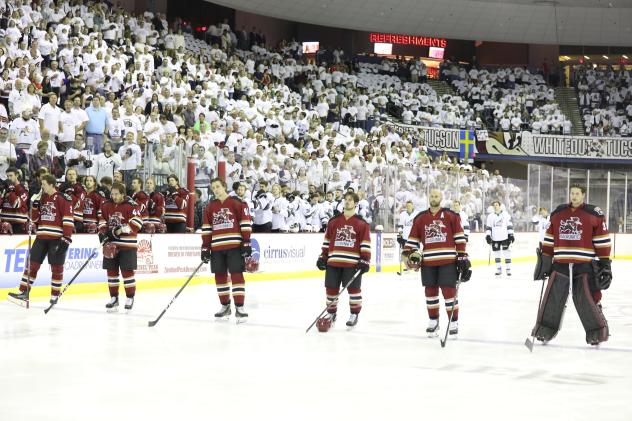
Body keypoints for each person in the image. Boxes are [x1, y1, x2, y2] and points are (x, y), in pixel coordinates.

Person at [532, 184, 611, 346]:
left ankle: (597, 331)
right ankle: (545, 330)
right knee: (553, 297)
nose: (574, 196)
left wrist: (605, 262)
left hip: (584, 264)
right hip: (560, 263)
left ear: (583, 195)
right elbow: (549, 238)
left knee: (586, 298)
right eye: (572, 193)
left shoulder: (593, 213)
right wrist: (546, 260)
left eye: (577, 193)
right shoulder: (558, 213)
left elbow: (602, 240)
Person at [403, 189, 470, 337]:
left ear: (441, 198)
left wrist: (462, 256)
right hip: (428, 261)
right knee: (430, 293)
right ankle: (433, 321)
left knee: (449, 292)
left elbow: (459, 237)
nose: (434, 198)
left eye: (436, 196)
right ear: (429, 198)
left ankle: (453, 322)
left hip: (448, 261)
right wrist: (408, 254)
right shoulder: (420, 218)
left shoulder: (451, 216)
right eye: (432, 196)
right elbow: (413, 239)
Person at [7, 174, 74, 305]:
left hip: (57, 238)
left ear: (51, 184)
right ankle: (23, 292)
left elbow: (67, 219)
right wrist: (36, 207)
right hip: (41, 237)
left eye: (43, 184)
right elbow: (36, 219)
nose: (41, 187)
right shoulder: (42, 197)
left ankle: (54, 295)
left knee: (56, 267)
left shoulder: (63, 198)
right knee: (32, 265)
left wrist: (67, 238)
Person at [316, 192, 371, 330]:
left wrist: (365, 260)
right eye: (345, 200)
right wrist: (323, 257)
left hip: (352, 264)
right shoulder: (333, 221)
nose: (347, 202)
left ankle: (354, 314)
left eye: (350, 200)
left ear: (356, 203)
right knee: (331, 290)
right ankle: (331, 314)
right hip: (333, 262)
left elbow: (365, 243)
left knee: (354, 290)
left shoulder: (362, 223)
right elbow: (327, 241)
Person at [201, 177, 253, 322]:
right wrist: (205, 247)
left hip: (234, 246)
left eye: (218, 186)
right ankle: (225, 306)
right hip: (217, 247)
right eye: (213, 188)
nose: (216, 190)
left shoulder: (237, 203)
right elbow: (207, 229)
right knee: (220, 277)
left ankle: (240, 307)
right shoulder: (210, 207)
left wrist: (247, 242)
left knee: (236, 275)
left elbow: (245, 223)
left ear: (224, 186)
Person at [98, 182, 143, 312]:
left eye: (116, 194)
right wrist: (102, 233)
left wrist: (118, 231)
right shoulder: (106, 205)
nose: (114, 196)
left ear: (123, 194)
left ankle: (130, 297)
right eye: (112, 194)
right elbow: (102, 221)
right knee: (111, 273)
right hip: (111, 245)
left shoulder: (132, 205)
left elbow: (137, 223)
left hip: (127, 245)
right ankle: (114, 298)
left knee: (127, 272)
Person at [485, 200, 514, 276]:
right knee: (497, 254)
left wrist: (511, 235)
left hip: (505, 237)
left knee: (507, 253)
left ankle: (508, 269)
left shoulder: (505, 214)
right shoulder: (490, 216)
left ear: (500, 206)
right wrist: (488, 235)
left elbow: (509, 225)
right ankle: (498, 269)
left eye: (497, 205)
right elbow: (489, 227)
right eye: (494, 205)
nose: (495, 206)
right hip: (495, 238)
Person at [0, 167, 29, 233]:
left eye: (11, 175)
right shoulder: (4, 188)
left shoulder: (23, 189)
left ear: (17, 175)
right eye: (7, 176)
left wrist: (10, 192)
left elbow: (16, 204)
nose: (9, 178)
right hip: (5, 224)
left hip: (19, 225)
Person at [59, 168, 86, 233]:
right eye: (69, 174)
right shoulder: (61, 186)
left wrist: (69, 193)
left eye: (73, 174)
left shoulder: (81, 187)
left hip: (77, 219)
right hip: (64, 218)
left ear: (76, 176)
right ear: (66, 176)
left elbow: (77, 204)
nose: (71, 176)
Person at [396, 200, 418, 272]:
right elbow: (400, 225)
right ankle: (408, 267)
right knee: (406, 253)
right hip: (405, 236)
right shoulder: (402, 214)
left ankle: (415, 266)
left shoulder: (416, 214)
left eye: (410, 205)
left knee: (415, 252)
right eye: (407, 206)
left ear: (412, 206)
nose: (409, 207)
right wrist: (400, 234)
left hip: (414, 237)